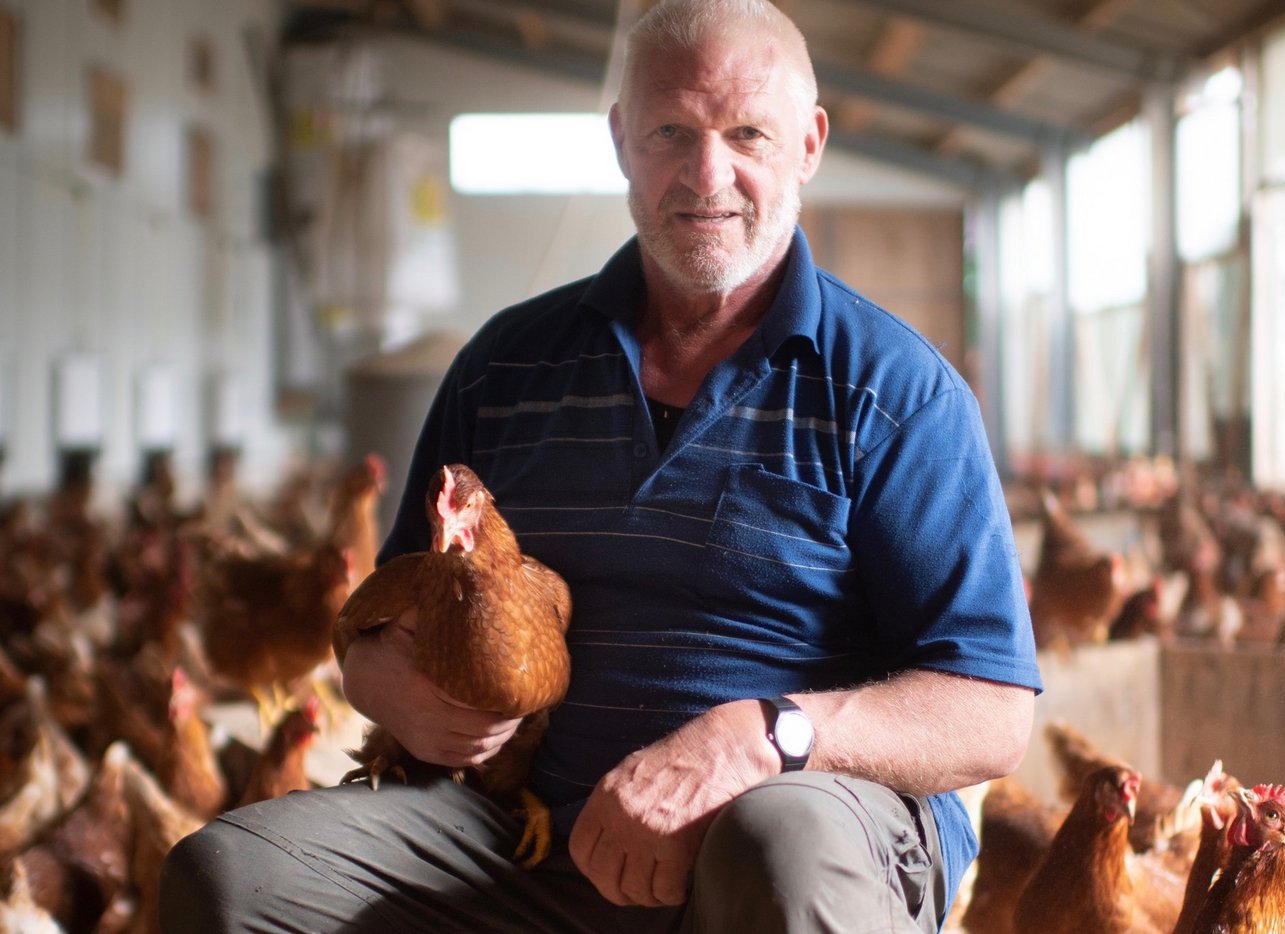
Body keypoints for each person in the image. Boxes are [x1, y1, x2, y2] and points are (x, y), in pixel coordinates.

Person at [160, 0, 1041, 930]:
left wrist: (765, 737)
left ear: (810, 144)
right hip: (527, 830)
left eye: (748, 132)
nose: (709, 174)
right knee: (230, 880)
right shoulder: (506, 366)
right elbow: (379, 625)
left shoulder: (895, 393)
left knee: (782, 848)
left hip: (802, 817)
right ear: (621, 139)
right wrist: (397, 691)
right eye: (671, 130)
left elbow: (992, 712)